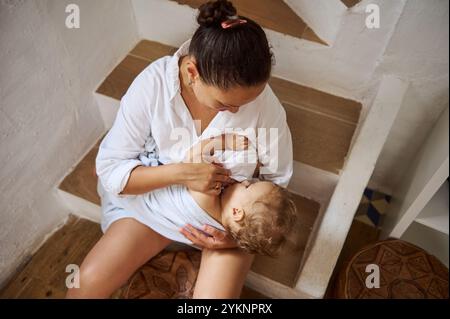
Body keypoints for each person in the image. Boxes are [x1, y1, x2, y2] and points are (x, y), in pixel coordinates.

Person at [66, 0, 293, 299]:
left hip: (225, 226)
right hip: (155, 204)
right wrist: (182, 173)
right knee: (87, 283)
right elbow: (111, 170)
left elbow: (276, 184)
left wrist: (233, 239)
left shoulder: (265, 107)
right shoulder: (154, 87)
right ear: (191, 71)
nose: (239, 111)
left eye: (249, 101)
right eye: (226, 104)